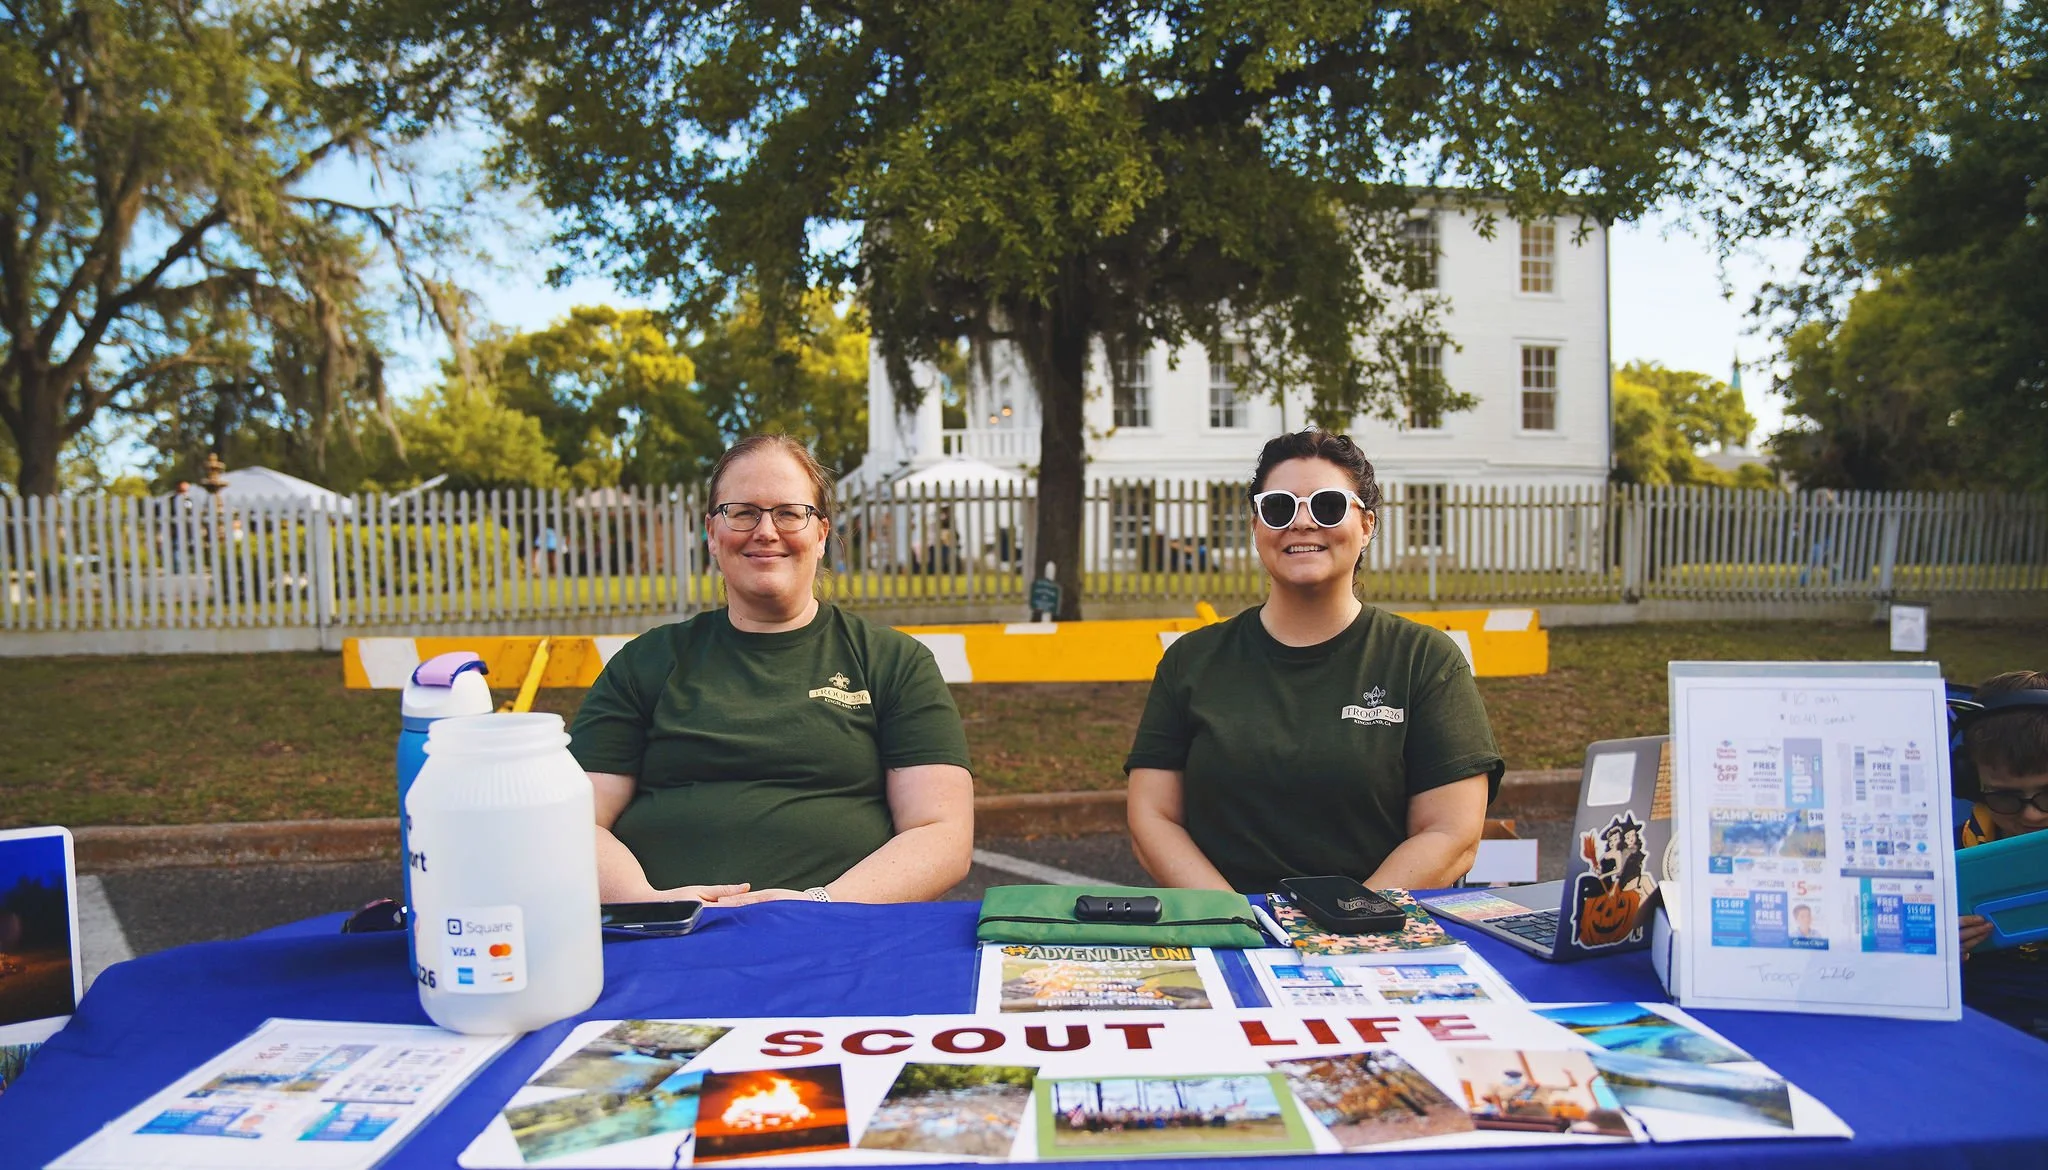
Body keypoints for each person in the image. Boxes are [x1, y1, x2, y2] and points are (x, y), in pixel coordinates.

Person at [568, 434, 974, 905]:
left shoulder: (894, 663)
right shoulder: (646, 663)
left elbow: (942, 834)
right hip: (667, 942)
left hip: (838, 940)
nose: (765, 531)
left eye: (788, 512)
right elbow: (573, 822)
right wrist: (651, 904)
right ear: (712, 535)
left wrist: (816, 906)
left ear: (821, 534)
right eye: (742, 512)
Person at [1125, 429, 1504, 893]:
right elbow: (1153, 818)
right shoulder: (1191, 661)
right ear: (1256, 525)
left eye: (1327, 505)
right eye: (1280, 507)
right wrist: (1238, 919)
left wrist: (1345, 923)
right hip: (1230, 937)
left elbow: (1451, 833)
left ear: (1366, 526)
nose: (1302, 523)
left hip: (1374, 941)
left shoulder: (1424, 660)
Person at [1954, 670, 2047, 1040]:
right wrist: (1932, 950)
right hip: (1980, 1027)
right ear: (1969, 784)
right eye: (2005, 797)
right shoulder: (1940, 857)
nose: (2032, 815)